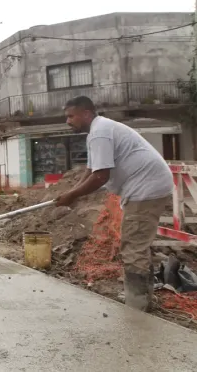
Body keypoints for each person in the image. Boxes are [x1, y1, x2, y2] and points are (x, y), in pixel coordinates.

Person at [55, 96, 172, 312]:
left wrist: (72, 196)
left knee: (133, 246)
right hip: (145, 187)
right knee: (137, 244)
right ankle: (142, 297)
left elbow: (101, 176)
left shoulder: (100, 132)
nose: (68, 121)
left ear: (87, 113)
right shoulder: (98, 131)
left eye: (71, 116)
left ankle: (137, 306)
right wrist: (73, 193)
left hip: (146, 188)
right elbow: (91, 170)